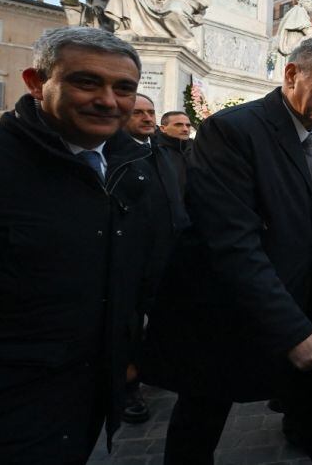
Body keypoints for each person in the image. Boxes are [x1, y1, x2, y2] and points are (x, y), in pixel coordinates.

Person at [143, 37, 312, 464]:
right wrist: (293, 331)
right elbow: (230, 241)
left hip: (309, 309)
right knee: (200, 420)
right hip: (231, 312)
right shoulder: (231, 130)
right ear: (291, 75)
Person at [0, 27, 171, 463]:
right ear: (36, 83)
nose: (108, 101)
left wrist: (129, 350)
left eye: (124, 88)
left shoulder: (134, 164)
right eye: (86, 82)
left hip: (92, 389)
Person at [120, 94, 189, 424]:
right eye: (139, 113)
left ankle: (156, 369)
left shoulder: (162, 152)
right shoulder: (116, 154)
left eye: (150, 112)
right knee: (128, 325)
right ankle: (127, 386)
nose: (146, 118)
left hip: (169, 252)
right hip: (132, 258)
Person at [157, 110, 192, 188]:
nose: (185, 129)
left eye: (188, 125)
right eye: (178, 125)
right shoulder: (155, 151)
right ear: (163, 128)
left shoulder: (197, 149)